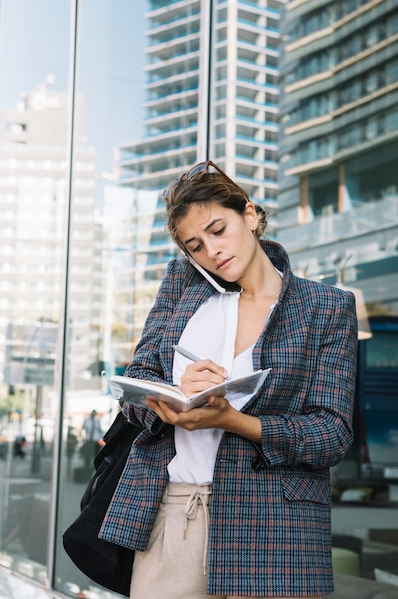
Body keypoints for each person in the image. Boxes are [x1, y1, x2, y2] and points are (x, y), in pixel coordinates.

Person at [99, 161, 358, 599]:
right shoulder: (183, 284)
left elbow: (332, 434)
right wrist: (177, 394)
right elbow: (138, 378)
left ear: (251, 216)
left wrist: (232, 420)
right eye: (195, 246)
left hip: (278, 527)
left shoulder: (326, 307)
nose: (212, 251)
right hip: (176, 512)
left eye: (219, 229)